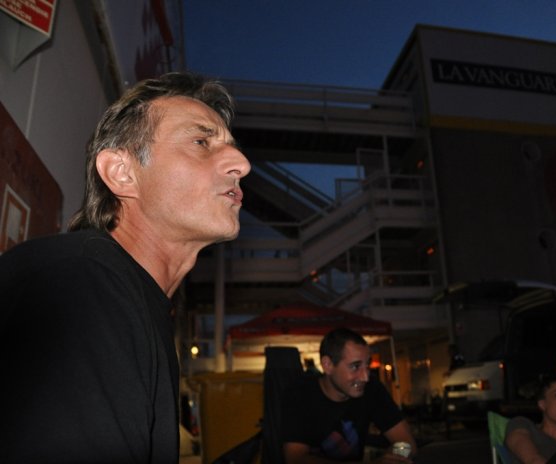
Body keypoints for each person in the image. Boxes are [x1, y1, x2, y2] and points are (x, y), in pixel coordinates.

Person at [0, 72, 250, 463]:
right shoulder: (81, 283)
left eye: (232, 147)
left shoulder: (129, 299)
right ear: (122, 173)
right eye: (201, 142)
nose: (242, 164)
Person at [281, 327, 416, 463]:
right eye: (355, 366)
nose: (365, 377)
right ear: (328, 365)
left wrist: (396, 457)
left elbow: (406, 443)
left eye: (367, 366)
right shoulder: (300, 394)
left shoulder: (371, 388)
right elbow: (295, 459)